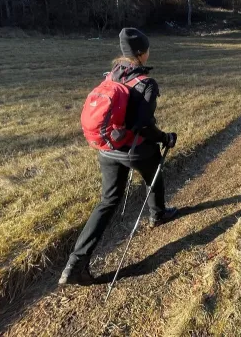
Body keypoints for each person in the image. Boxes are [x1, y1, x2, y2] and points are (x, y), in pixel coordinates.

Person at [59, 27, 179, 286]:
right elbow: (143, 126)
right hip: (134, 151)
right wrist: (165, 137)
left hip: (107, 150)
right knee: (154, 167)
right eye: (147, 49)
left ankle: (75, 264)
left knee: (108, 201)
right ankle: (158, 214)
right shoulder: (146, 83)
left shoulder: (111, 77)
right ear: (141, 53)